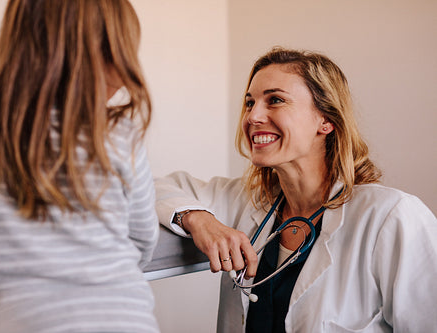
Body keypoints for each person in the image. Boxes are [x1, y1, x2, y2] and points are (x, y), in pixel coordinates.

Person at [154, 47, 437, 332]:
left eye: (275, 100)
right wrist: (199, 219)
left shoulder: (391, 217)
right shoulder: (245, 201)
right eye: (250, 103)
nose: (252, 117)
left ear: (326, 120)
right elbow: (153, 189)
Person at [0, 0, 160, 332]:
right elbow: (143, 237)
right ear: (110, 57)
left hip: (22, 319)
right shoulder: (121, 134)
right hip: (126, 319)